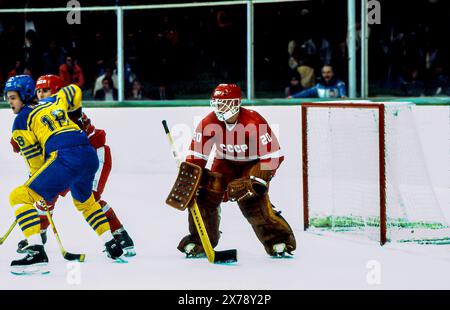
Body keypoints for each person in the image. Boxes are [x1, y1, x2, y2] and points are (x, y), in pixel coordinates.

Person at [4, 75, 124, 275]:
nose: (10, 103)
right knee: (86, 203)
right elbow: (73, 90)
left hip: (65, 158)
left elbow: (36, 164)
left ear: (25, 96)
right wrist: (75, 110)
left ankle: (36, 251)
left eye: (13, 97)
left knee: (18, 196)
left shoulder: (20, 120)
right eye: (8, 98)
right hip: (88, 154)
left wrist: (39, 188)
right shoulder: (53, 100)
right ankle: (111, 243)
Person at [175, 83, 296, 257]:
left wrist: (259, 180)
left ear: (237, 103)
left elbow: (274, 155)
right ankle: (200, 240)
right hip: (224, 162)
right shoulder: (208, 122)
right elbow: (197, 155)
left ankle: (278, 240)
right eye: (216, 103)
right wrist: (190, 178)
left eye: (224, 103)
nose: (219, 107)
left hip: (252, 164)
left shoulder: (254, 121)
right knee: (205, 194)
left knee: (251, 199)